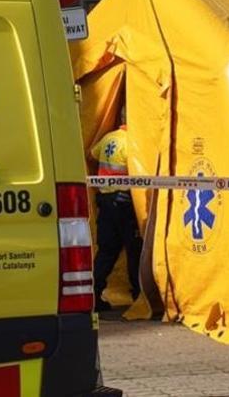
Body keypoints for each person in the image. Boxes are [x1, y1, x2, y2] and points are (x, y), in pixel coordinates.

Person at [89, 108, 141, 312]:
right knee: (134, 249)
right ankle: (138, 295)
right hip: (124, 202)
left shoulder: (108, 138)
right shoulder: (133, 143)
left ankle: (94, 293)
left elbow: (92, 155)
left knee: (107, 251)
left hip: (106, 201)